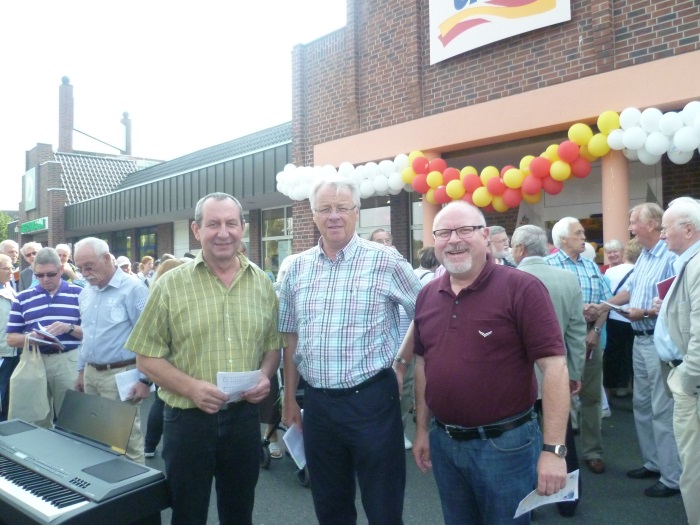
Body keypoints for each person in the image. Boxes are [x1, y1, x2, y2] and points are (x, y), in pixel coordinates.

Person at [126, 192, 283, 525]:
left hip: (243, 419)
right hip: (188, 420)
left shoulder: (262, 285)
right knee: (188, 513)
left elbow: (272, 346)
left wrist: (266, 376)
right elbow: (146, 357)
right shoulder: (170, 285)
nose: (222, 232)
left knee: (240, 512)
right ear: (196, 230)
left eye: (230, 223)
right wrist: (191, 387)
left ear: (243, 227)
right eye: (213, 224)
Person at [411, 203, 568, 524]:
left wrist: (554, 451)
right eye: (443, 233)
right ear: (435, 242)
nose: (453, 240)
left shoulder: (521, 288)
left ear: (485, 236)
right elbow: (423, 365)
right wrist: (423, 430)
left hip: (505, 447)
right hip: (445, 443)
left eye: (464, 230)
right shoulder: (427, 295)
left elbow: (555, 368)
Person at [279, 177, 421, 525]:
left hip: (372, 401)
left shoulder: (385, 260)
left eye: (342, 208)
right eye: (324, 208)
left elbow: (426, 313)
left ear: (357, 213)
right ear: (312, 215)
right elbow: (290, 336)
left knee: (383, 506)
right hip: (318, 406)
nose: (334, 216)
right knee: (330, 506)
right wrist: (288, 398)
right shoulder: (296, 267)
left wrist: (401, 361)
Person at [595, 203, 682, 498]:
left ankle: (672, 477)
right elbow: (630, 290)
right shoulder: (644, 256)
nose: (630, 227)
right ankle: (653, 463)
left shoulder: (670, 256)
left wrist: (643, 313)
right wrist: (604, 306)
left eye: (634, 222)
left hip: (656, 339)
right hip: (639, 339)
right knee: (642, 405)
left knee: (661, 408)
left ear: (654, 224)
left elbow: (672, 303)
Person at [512, 224, 587, 517]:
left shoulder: (509, 280)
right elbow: (576, 332)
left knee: (520, 440)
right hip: (559, 373)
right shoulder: (568, 280)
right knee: (562, 436)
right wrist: (575, 372)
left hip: (521, 378)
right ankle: (568, 501)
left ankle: (527, 504)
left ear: (519, 249)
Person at [73, 237, 151, 462]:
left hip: (120, 373)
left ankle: (136, 492)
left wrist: (145, 380)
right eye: (80, 268)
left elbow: (147, 336)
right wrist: (81, 370)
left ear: (107, 258)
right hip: (91, 373)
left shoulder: (133, 288)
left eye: (89, 266)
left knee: (126, 441)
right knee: (97, 437)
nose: (85, 273)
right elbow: (87, 334)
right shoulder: (86, 292)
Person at [545, 217, 612, 474]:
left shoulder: (590, 265)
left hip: (590, 337)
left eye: (583, 233)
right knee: (557, 396)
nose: (584, 237)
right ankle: (558, 452)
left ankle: (593, 451)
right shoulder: (548, 265)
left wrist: (595, 330)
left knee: (592, 396)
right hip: (560, 337)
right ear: (563, 238)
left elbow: (605, 303)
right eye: (579, 233)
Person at [655, 196, 700, 522]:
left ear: (687, 229)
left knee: (694, 468)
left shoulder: (696, 264)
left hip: (692, 383)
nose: (661, 235)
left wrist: (686, 380)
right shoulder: (688, 261)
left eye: (665, 228)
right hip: (687, 378)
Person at [6, 248, 82, 427]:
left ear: (61, 270)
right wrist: (31, 338)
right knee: (35, 419)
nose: (45, 279)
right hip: (35, 360)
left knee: (72, 418)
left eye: (51, 274)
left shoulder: (78, 294)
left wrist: (67, 328)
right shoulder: (23, 298)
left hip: (68, 360)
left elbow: (92, 332)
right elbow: (11, 338)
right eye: (39, 275)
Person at [142, 258, 184, 459]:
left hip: (160, 362)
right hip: (171, 362)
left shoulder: (154, 294)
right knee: (167, 404)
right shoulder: (172, 294)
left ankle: (150, 445)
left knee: (160, 402)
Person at [603, 238, 642, 399]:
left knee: (613, 354)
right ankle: (631, 387)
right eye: (609, 252)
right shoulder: (639, 269)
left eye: (615, 251)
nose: (612, 255)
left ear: (624, 252)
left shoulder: (609, 272)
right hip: (636, 316)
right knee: (632, 355)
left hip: (615, 316)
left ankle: (608, 389)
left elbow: (607, 295)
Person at [0, 254, 18, 421]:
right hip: (2, 353)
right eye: (7, 268)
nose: (12, 271)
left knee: (8, 396)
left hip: (13, 352)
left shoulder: (9, 288)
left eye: (12, 267)